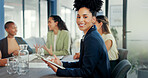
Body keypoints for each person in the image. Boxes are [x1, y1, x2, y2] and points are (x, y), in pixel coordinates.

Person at [42, 0, 110, 77]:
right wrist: (61, 64)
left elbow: (86, 72)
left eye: (85, 17)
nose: (80, 20)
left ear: (93, 19)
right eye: (78, 17)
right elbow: (82, 64)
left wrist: (59, 71)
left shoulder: (92, 39)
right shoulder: (90, 35)